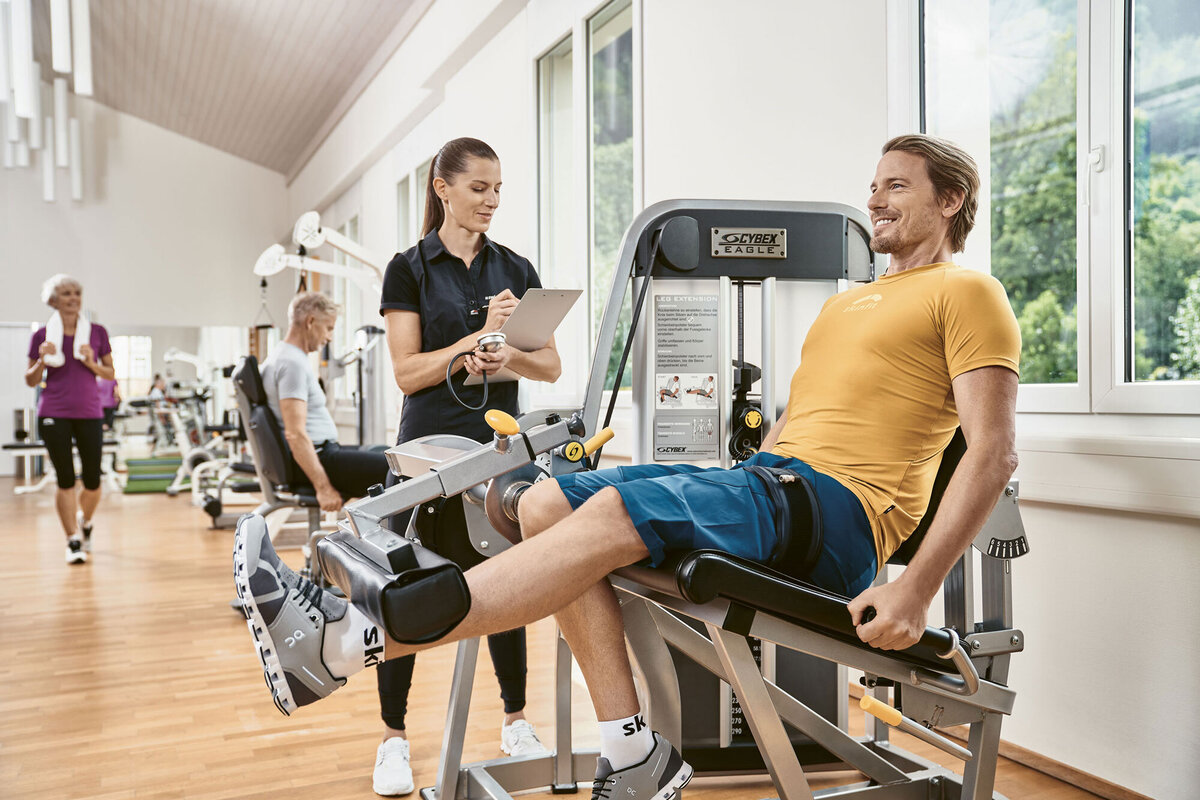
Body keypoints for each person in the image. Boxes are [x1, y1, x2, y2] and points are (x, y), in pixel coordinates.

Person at [235, 134, 1020, 800]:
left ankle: (352, 640)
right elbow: (796, 424)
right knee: (542, 503)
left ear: (950, 201)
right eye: (872, 186)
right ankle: (630, 748)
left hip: (836, 515)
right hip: (773, 481)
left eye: (896, 186)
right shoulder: (844, 305)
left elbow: (992, 452)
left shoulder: (968, 292)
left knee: (607, 518)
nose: (876, 199)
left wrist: (915, 588)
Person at [368, 137, 563, 795]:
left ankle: (516, 720)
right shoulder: (409, 270)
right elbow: (407, 371)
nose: (491, 200)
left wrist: (503, 351)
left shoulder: (516, 267)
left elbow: (550, 365)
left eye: (498, 189)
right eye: (479, 187)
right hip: (426, 454)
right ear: (442, 187)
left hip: (497, 454)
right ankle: (392, 738)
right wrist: (469, 345)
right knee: (406, 591)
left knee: (505, 585)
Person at [260, 292, 390, 510]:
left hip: (324, 453)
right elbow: (295, 434)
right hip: (321, 459)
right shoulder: (291, 363)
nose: (329, 337)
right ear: (310, 322)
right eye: (329, 328)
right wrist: (323, 487)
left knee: (389, 454)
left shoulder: (284, 357)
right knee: (400, 472)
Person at [25, 275, 115, 564]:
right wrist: (41, 360)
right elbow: (30, 380)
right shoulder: (41, 336)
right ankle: (72, 540)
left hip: (89, 411)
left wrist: (90, 361)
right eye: (66, 293)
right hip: (54, 412)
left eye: (76, 292)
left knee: (92, 480)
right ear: (53, 300)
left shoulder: (97, 332)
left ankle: (85, 521)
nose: (73, 297)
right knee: (65, 480)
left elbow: (110, 373)